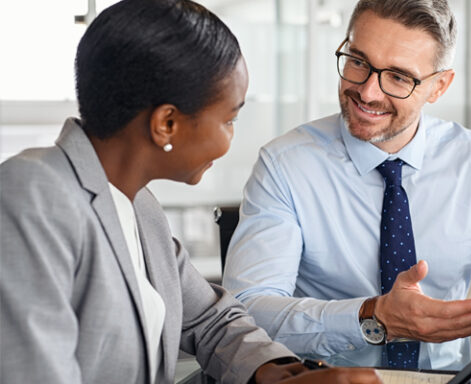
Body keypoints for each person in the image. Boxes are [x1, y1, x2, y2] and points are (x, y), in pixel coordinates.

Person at [0, 1, 382, 383]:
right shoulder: (33, 196)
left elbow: (210, 319)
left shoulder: (138, 206)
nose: (231, 137)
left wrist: (280, 375)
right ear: (167, 123)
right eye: (229, 119)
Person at [223, 0, 471, 371]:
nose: (367, 92)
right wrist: (372, 318)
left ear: (439, 87)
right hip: (328, 380)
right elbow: (248, 312)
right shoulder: (285, 165)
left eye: (398, 77)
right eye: (357, 62)